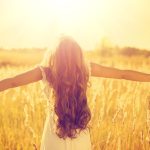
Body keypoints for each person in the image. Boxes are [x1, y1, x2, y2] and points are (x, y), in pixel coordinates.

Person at [0, 36, 150, 150]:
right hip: (80, 133)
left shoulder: (45, 72)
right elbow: (123, 74)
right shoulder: (86, 70)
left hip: (54, 133)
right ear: (78, 55)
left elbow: (12, 81)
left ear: (55, 55)